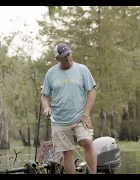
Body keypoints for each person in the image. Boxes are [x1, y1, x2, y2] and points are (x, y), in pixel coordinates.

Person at [41, 43, 97, 174]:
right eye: (64, 56)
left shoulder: (82, 69)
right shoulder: (51, 73)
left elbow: (92, 91)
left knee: (87, 142)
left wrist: (86, 114)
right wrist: (46, 107)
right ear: (57, 58)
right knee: (67, 152)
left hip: (80, 117)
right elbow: (45, 96)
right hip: (59, 121)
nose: (68, 58)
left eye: (69, 54)